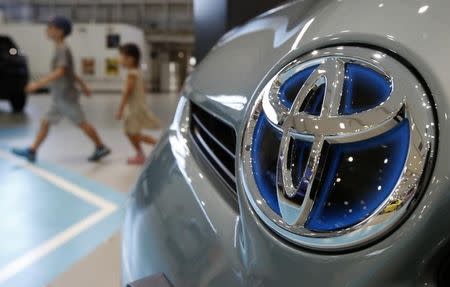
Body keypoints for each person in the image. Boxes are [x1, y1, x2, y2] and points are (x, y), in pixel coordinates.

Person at [12, 16, 110, 162]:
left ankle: (101, 146)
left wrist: (37, 84)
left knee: (81, 122)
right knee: (46, 122)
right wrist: (84, 86)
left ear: (60, 31)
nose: (48, 30)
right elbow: (70, 72)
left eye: (51, 28)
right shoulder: (60, 48)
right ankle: (32, 150)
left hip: (66, 97)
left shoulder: (62, 49)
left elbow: (61, 71)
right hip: (60, 96)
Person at [116, 43, 160, 165]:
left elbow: (127, 92)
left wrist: (120, 109)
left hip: (133, 110)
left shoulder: (132, 74)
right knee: (129, 132)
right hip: (134, 108)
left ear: (131, 59)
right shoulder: (136, 72)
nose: (119, 59)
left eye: (121, 57)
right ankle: (140, 153)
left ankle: (158, 145)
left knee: (133, 133)